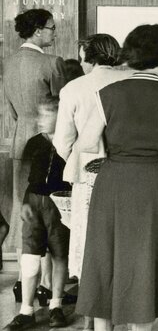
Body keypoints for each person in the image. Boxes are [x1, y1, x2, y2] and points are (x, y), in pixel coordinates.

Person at [76, 24, 158, 331]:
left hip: (115, 181)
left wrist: (115, 149)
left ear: (129, 54)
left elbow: (86, 143)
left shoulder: (107, 94)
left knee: (106, 256)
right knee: (148, 258)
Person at [53, 34, 125, 292]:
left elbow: (62, 141)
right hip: (126, 169)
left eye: (82, 58)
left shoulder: (73, 89)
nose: (81, 63)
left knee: (87, 234)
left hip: (87, 170)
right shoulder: (129, 81)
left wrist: (75, 158)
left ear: (90, 58)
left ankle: (91, 298)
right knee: (121, 233)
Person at [7, 97, 71, 329]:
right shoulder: (34, 143)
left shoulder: (69, 141)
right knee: (30, 257)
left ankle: (56, 306)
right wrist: (22, 202)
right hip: (33, 203)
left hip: (60, 204)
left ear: (60, 117)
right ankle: (26, 311)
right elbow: (23, 175)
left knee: (60, 254)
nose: (40, 120)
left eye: (46, 115)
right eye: (40, 115)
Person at [6, 10, 65, 249]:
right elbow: (63, 109)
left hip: (19, 141)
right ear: (38, 31)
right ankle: (48, 270)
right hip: (49, 144)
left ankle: (25, 268)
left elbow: (11, 111)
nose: (55, 33)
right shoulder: (52, 62)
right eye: (52, 28)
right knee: (51, 213)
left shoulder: (9, 63)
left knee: (24, 209)